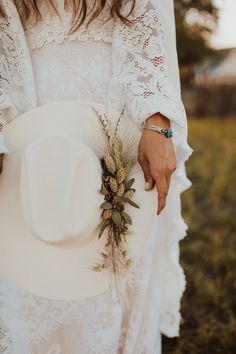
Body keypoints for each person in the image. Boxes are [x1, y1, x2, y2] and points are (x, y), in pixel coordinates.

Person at [0, 0, 192, 353]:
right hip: (28, 123)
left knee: (114, 284)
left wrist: (156, 118)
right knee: (32, 277)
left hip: (121, 121)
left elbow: (145, 24)